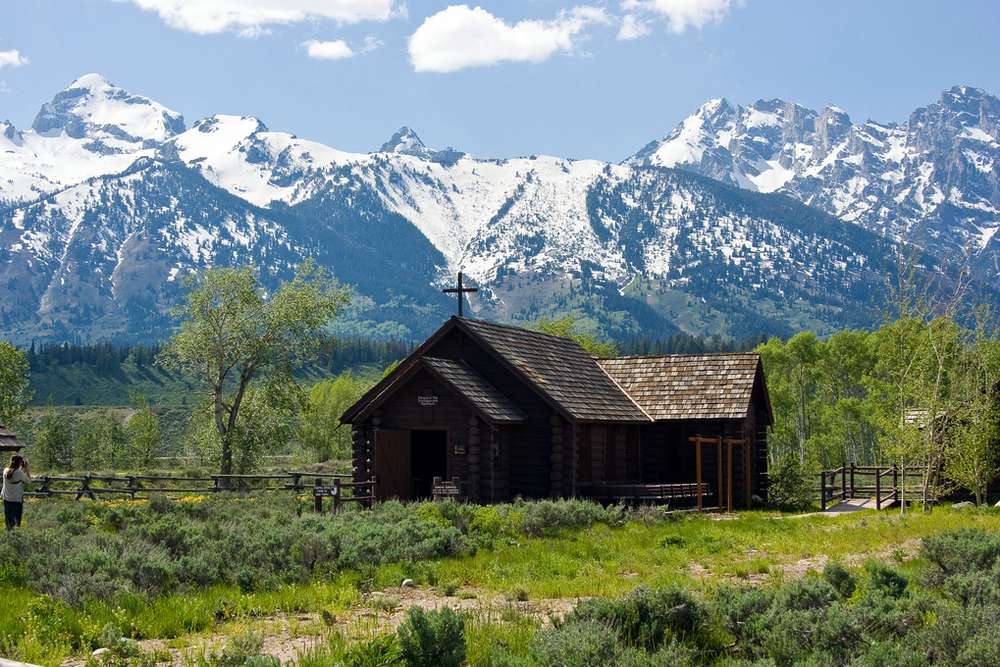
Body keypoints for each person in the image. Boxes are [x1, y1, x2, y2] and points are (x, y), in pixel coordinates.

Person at [2, 455, 30, 530]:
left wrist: (21, 468)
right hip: (16, 499)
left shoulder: (5, 470)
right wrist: (26, 469)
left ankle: (8, 533)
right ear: (20, 463)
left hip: (6, 498)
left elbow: (13, 473)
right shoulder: (19, 473)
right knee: (16, 520)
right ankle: (15, 536)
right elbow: (28, 481)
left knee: (8, 519)